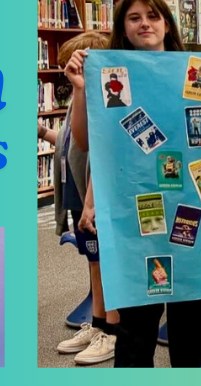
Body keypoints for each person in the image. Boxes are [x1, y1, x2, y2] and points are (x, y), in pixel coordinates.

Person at [65, 0, 201, 368]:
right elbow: (91, 143)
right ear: (122, 27)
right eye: (134, 18)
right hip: (135, 215)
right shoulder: (109, 75)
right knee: (136, 325)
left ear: (167, 24)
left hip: (191, 208)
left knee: (193, 321)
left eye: (152, 16)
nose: (145, 24)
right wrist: (81, 90)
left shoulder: (196, 71)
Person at [41, 31, 123, 366]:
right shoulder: (78, 98)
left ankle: (113, 331)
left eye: (72, 66)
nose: (66, 72)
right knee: (93, 263)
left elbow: (98, 151)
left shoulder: (100, 100)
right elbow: (69, 140)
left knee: (107, 265)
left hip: (93, 196)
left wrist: (93, 201)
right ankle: (99, 323)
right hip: (75, 193)